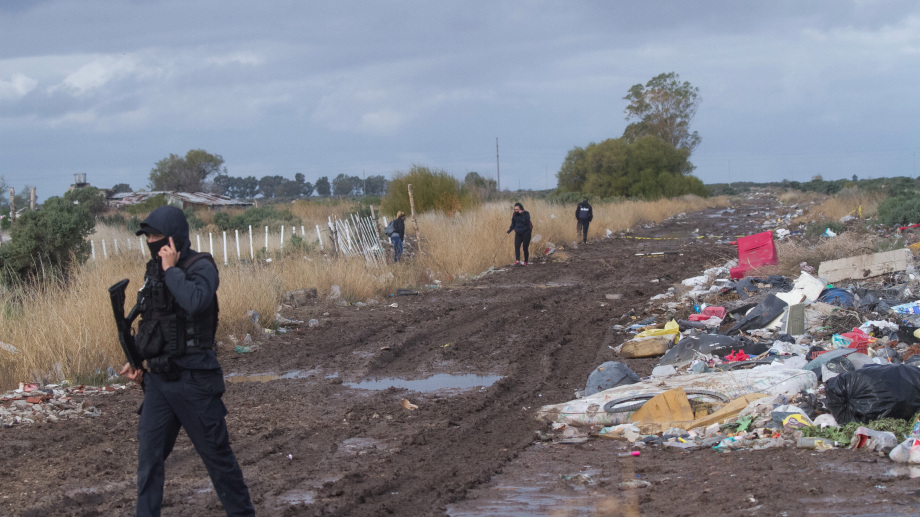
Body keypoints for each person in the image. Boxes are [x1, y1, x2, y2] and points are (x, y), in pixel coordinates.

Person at [119, 205, 254, 517]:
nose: (150, 242)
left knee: (219, 461)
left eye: (155, 236)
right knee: (149, 461)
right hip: (159, 384)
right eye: (147, 237)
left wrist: (171, 271)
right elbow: (153, 326)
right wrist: (136, 361)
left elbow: (194, 301)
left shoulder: (201, 266)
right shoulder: (154, 273)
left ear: (173, 237)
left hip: (196, 381)